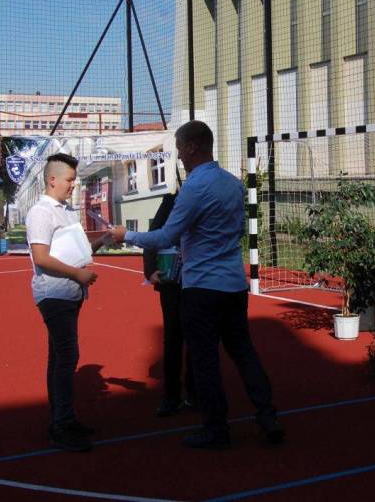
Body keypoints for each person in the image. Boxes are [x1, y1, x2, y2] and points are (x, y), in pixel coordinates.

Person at [111, 120, 283, 449]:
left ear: (191, 147)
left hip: (202, 287)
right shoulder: (233, 184)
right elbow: (236, 231)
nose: (178, 156)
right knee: (244, 352)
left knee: (205, 360)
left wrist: (126, 235)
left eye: (179, 149)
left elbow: (166, 236)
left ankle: (216, 428)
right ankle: (267, 415)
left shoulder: (195, 187)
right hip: (233, 283)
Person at [26, 153, 99, 452]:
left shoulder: (66, 211)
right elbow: (41, 257)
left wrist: (103, 241)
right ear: (52, 179)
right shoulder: (41, 213)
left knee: (58, 357)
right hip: (54, 294)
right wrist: (78, 274)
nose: (73, 185)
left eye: (74, 180)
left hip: (69, 293)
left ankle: (61, 418)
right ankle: (61, 425)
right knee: (67, 356)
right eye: (69, 180)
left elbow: (76, 250)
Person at [141, 191, 196, 417]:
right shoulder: (171, 202)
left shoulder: (202, 200)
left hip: (198, 283)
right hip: (171, 285)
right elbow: (152, 237)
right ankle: (171, 395)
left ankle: (195, 392)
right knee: (173, 339)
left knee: (196, 338)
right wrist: (150, 270)